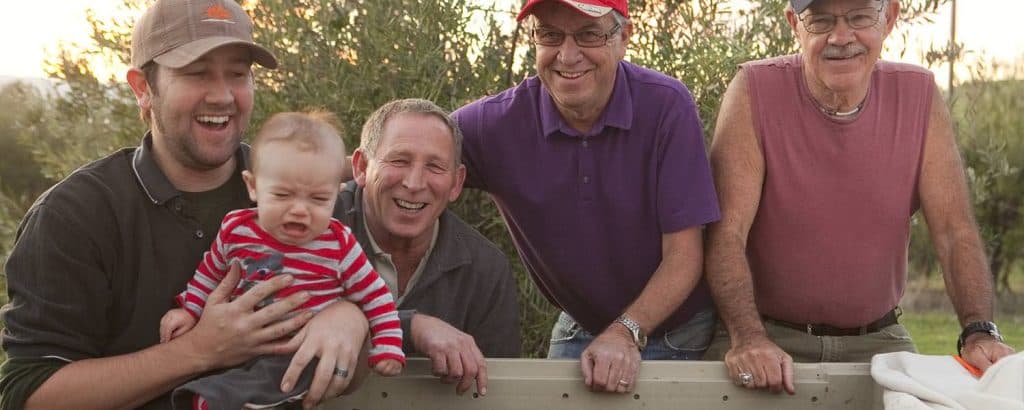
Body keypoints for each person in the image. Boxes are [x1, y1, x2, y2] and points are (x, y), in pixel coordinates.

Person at [0, 1, 368, 408]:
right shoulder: (74, 216)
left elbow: (371, 317)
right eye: (196, 73)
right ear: (143, 88)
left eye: (238, 74)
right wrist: (200, 350)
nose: (223, 95)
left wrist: (351, 317)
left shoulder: (305, 193)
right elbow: (29, 394)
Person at [703, 0, 1016, 395]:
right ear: (793, 26)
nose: (840, 36)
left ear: (890, 19)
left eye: (860, 16)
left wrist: (979, 331)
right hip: (766, 337)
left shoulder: (919, 94)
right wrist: (748, 338)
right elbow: (725, 234)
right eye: (820, 20)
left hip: (880, 343)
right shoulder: (753, 90)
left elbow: (955, 233)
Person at [452, 0, 721, 394]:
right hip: (583, 325)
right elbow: (405, 159)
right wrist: (340, 180)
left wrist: (626, 332)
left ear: (623, 38)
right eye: (550, 35)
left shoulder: (666, 105)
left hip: (680, 331)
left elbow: (684, 255)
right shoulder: (496, 123)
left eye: (589, 34)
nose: (568, 54)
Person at [160, 111, 405, 409]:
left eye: (317, 199)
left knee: (293, 370)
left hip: (301, 347)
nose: (300, 210)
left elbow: (375, 295)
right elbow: (209, 275)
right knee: (236, 373)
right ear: (253, 186)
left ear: (336, 196)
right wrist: (189, 310)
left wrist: (388, 346)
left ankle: (223, 399)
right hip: (240, 345)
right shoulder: (236, 229)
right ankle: (218, 395)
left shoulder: (338, 243)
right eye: (282, 195)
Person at [339, 98, 521, 396]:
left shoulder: (485, 269)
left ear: (456, 183)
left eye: (435, 167)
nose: (414, 183)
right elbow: (282, 331)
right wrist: (412, 328)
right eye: (399, 161)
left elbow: (496, 392)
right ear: (361, 167)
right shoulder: (314, 229)